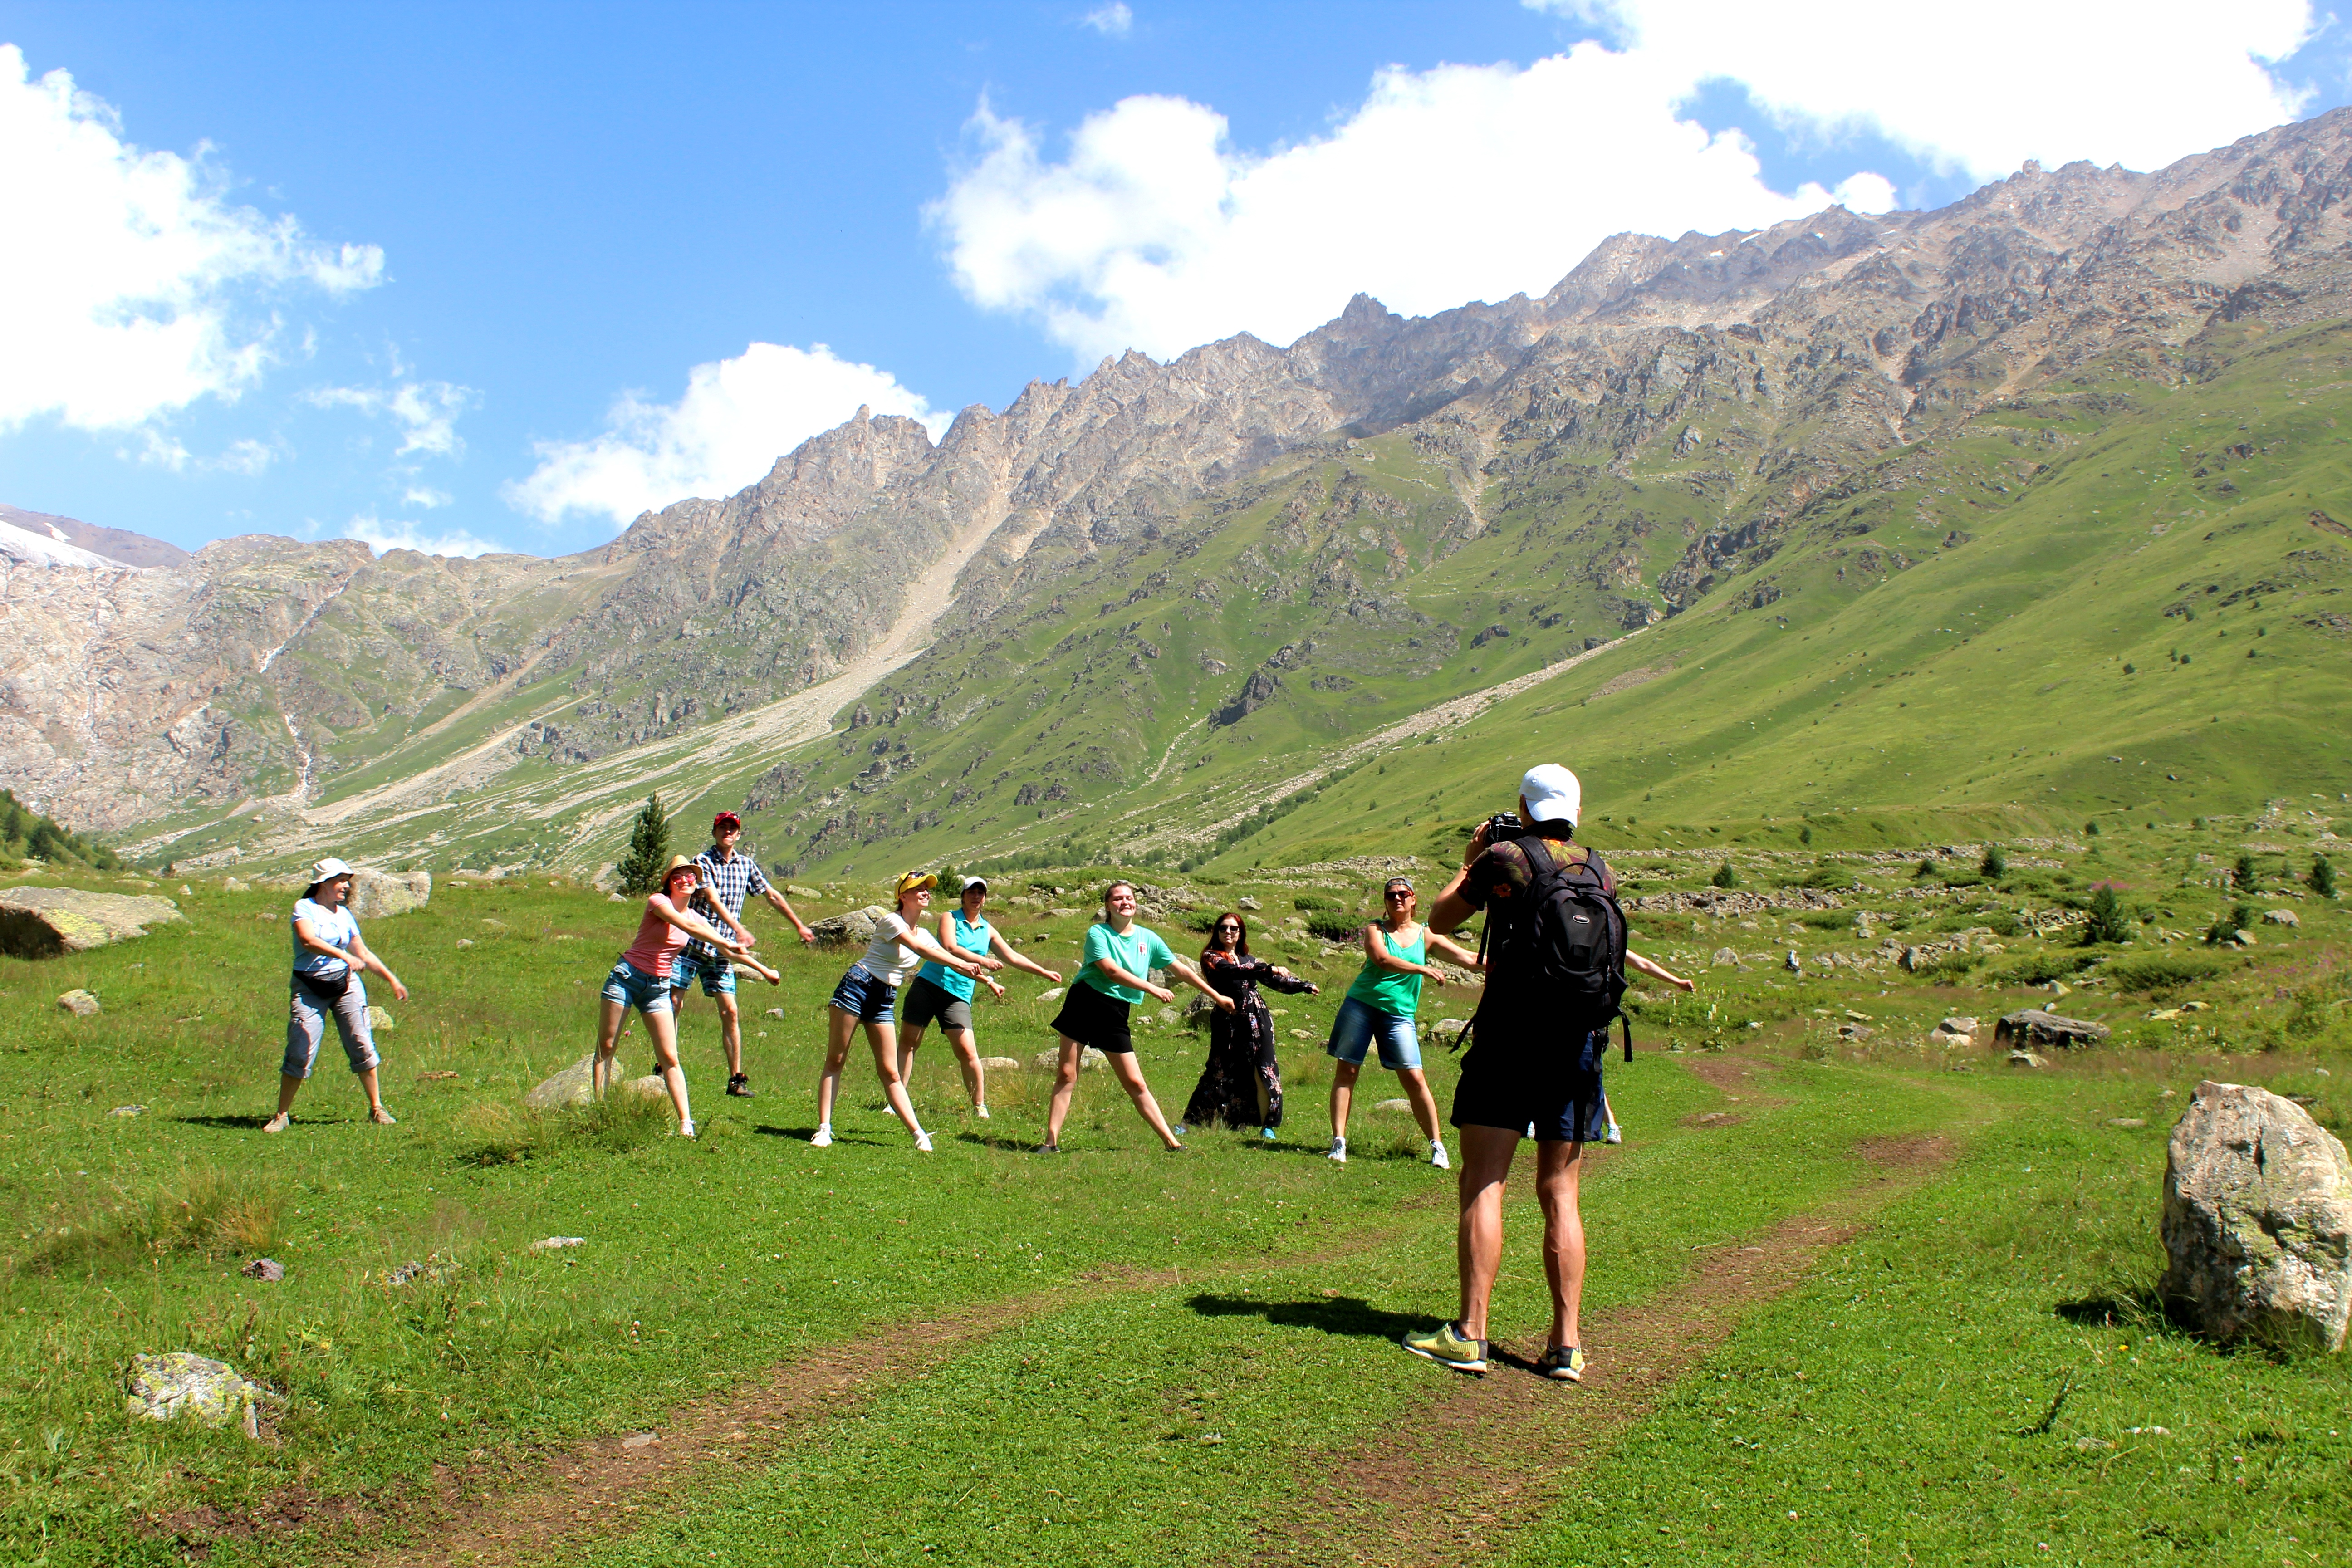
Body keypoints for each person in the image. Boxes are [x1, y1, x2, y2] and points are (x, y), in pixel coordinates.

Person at [1402, 763, 1616, 1382]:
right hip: (1578, 1043)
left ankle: (1471, 1333)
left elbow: (1438, 922)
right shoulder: (1598, 867)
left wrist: (1470, 860)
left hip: (1511, 1038)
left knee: (1485, 1180)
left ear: (1523, 805)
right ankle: (1566, 1345)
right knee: (1562, 1193)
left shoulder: (1505, 858)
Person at [1042, 880, 1232, 1153]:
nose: (1125, 902)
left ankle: (1172, 1142)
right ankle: (1050, 1143)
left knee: (1135, 1081)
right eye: (1118, 899)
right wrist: (1151, 987)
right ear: (1108, 905)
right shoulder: (1098, 933)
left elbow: (1181, 970)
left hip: (1115, 1012)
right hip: (1085, 1003)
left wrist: (1217, 996)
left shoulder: (1148, 939)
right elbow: (1111, 971)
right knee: (1067, 1074)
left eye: (1129, 898)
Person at [813, 872, 994, 1152]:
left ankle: (919, 1135)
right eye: (917, 889)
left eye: (927, 889)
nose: (925, 892)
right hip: (858, 986)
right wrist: (965, 965)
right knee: (836, 1060)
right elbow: (921, 950)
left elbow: (947, 956)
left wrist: (985, 979)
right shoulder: (891, 921)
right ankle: (824, 1129)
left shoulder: (923, 931)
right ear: (903, 896)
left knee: (890, 1072)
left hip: (885, 997)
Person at [1324, 876, 1484, 1170]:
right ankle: (1339, 1142)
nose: (1397, 898)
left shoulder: (1428, 935)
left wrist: (1506, 959)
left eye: (1403, 894)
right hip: (1361, 1005)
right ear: (1385, 903)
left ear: (1414, 900)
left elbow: (1468, 958)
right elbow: (1382, 959)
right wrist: (1423, 968)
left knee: (1414, 1078)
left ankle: (1437, 1146)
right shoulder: (1376, 929)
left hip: (1399, 1014)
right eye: (1391, 895)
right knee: (1347, 1070)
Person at [594, 855, 754, 1139]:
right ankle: (601, 1110)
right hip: (627, 978)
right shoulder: (659, 902)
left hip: (658, 988)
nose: (685, 880)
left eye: (690, 876)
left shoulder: (696, 916)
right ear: (669, 882)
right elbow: (692, 930)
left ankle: (686, 1124)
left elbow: (728, 950)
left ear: (696, 882)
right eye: (678, 876)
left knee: (670, 1056)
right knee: (607, 1046)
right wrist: (724, 939)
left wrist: (763, 970)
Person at [673, 811, 813, 1099]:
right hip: (693, 943)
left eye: (732, 829)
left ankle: (736, 1080)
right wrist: (737, 928)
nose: (727, 832)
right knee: (674, 1003)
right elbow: (710, 896)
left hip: (722, 951)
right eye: (722, 828)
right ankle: (666, 1065)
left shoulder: (746, 865)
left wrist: (798, 924)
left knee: (731, 1011)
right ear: (715, 832)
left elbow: (771, 895)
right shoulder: (702, 862)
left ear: (738, 834)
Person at [898, 877, 1061, 1121]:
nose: (976, 897)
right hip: (930, 984)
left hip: (959, 994)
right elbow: (950, 947)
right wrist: (983, 961)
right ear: (963, 896)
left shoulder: (988, 929)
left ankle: (979, 1105)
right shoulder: (950, 918)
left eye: (981, 893)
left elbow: (1012, 957)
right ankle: (896, 1100)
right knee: (910, 1043)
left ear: (985, 898)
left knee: (967, 1051)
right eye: (971, 892)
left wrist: (1043, 971)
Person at [265, 857, 408, 1133]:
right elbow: (308, 940)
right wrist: (343, 954)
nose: (346, 886)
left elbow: (363, 954)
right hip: (309, 986)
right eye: (340, 881)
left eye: (346, 881)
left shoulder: (344, 914)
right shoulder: (304, 908)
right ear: (323, 883)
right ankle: (282, 1114)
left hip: (346, 983)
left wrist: (392, 980)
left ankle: (377, 1108)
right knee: (300, 1048)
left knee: (361, 1042)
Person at [1177, 911, 1317, 1140]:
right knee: (1218, 1070)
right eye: (1224, 928)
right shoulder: (1212, 956)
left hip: (1257, 1019)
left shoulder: (1249, 960)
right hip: (1227, 1019)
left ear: (1241, 932)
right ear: (1217, 931)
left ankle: (1267, 1125)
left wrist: (1303, 986)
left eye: (1234, 929)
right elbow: (1230, 971)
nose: (1228, 933)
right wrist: (1267, 968)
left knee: (1264, 1069)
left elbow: (1276, 982)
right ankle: (1188, 1122)